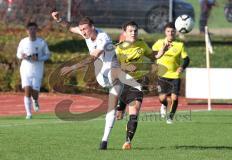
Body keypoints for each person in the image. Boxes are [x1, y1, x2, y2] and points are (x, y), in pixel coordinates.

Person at [51, 11, 142, 150]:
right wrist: (59, 19)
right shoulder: (84, 33)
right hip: (102, 75)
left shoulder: (103, 37)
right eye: (81, 30)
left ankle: (104, 141)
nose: (83, 32)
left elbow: (93, 56)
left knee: (111, 107)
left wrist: (72, 67)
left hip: (112, 72)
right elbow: (69, 27)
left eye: (85, 29)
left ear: (92, 27)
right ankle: (128, 81)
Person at [115, 21, 153, 149]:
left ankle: (128, 141)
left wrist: (162, 51)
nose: (133, 33)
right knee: (118, 115)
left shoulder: (141, 44)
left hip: (138, 83)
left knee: (134, 112)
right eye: (130, 31)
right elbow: (114, 66)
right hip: (123, 82)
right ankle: (121, 105)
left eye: (135, 30)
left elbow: (153, 55)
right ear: (124, 32)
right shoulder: (118, 48)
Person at [152, 22, 190, 124]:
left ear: (175, 32)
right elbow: (152, 54)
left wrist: (182, 67)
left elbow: (186, 59)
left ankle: (170, 117)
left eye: (172, 31)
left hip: (175, 75)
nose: (170, 33)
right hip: (162, 75)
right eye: (168, 31)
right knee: (162, 98)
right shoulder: (159, 43)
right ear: (165, 32)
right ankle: (164, 105)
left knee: (174, 97)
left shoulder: (180, 45)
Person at [16, 22, 51, 119]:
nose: (32, 31)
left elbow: (48, 55)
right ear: (27, 31)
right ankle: (28, 113)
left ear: (36, 30)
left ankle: (35, 100)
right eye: (30, 29)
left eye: (34, 29)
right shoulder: (23, 41)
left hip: (37, 69)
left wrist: (39, 58)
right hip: (25, 69)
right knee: (27, 89)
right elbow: (18, 54)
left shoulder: (41, 42)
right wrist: (22, 56)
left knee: (35, 92)